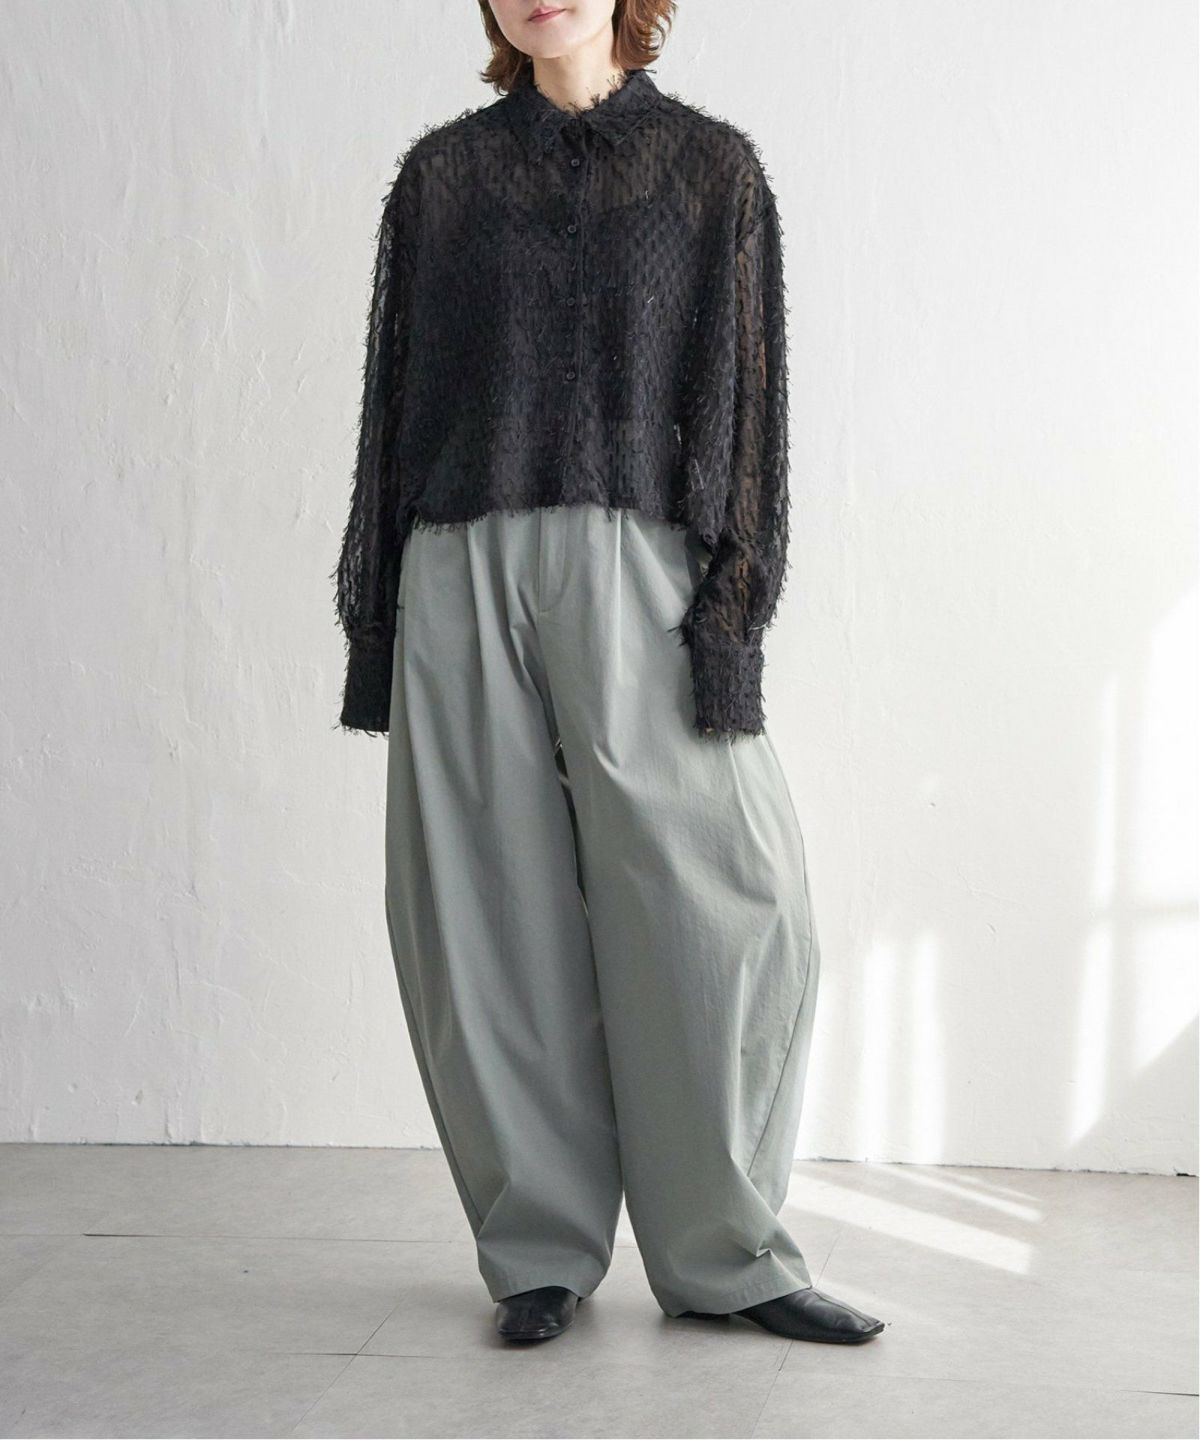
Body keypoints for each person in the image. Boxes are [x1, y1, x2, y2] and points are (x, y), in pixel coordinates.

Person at [332, 0, 884, 1348]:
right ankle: (538, 1252)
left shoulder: (709, 171)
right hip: (459, 564)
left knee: (729, 900)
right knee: (483, 911)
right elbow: (393, 407)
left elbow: (749, 417)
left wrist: (731, 616)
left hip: (644, 567)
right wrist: (377, 626)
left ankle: (728, 1256)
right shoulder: (441, 180)